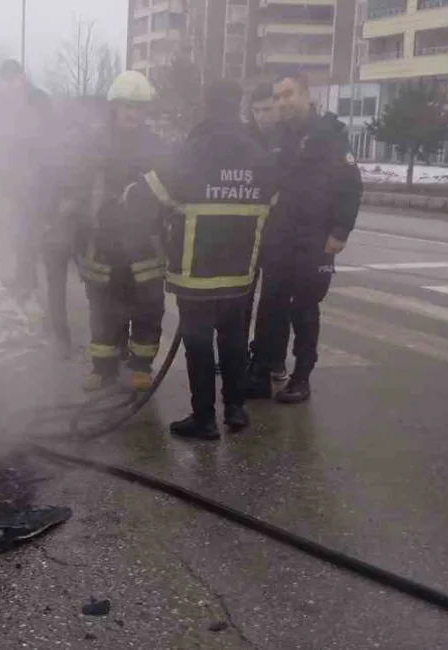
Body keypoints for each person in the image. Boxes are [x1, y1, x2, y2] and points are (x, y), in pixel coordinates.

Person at [123, 79, 276, 439]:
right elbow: (272, 202)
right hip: (241, 272)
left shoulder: (191, 152)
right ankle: (236, 408)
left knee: (198, 342)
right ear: (237, 106)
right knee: (235, 338)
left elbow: (141, 197)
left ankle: (204, 418)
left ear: (206, 106)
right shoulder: (258, 154)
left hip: (196, 273)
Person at [245, 72, 363, 404]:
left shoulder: (330, 135)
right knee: (271, 305)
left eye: (288, 95)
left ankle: (302, 376)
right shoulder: (278, 136)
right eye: (278, 97)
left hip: (315, 238)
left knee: (305, 309)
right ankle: (264, 369)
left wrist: (340, 233)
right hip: (280, 236)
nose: (282, 102)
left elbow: (350, 187)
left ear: (306, 95)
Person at [75, 71, 169, 392]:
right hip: (103, 241)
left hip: (145, 242)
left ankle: (141, 364)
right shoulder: (95, 144)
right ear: (114, 107)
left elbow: (169, 192)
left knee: (147, 304)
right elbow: (78, 191)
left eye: (139, 107)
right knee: (103, 305)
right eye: (127, 106)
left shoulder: (157, 147)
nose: (133, 113)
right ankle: (103, 367)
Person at [0, 60, 51, 301]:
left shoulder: (36, 99)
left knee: (28, 231)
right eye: (6, 80)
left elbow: (43, 135)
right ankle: (24, 277)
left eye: (13, 78)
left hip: (36, 176)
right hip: (15, 176)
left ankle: (30, 281)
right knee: (16, 229)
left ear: (22, 76)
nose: (10, 84)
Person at [242, 81, 287, 382]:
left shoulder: (289, 137)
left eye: (267, 109)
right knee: (241, 296)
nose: (261, 116)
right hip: (247, 230)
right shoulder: (245, 138)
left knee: (275, 299)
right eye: (256, 110)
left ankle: (273, 359)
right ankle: (240, 354)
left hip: (280, 231)